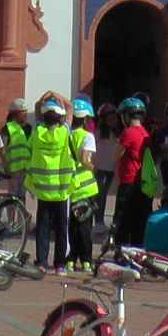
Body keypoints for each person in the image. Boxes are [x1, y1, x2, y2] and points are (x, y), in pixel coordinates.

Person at [25, 98, 82, 271]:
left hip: (42, 189)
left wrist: (45, 97)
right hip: (62, 189)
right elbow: (71, 107)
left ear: (44, 118)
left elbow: (36, 109)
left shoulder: (37, 132)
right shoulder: (65, 132)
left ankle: (41, 262)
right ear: (61, 119)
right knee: (61, 229)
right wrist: (56, 95)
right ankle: (60, 264)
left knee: (42, 227)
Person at [112, 97, 153, 247]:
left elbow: (116, 155)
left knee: (123, 220)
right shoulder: (145, 132)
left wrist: (115, 143)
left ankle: (122, 252)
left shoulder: (128, 133)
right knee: (139, 221)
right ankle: (137, 251)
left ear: (126, 116)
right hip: (141, 181)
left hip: (129, 181)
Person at [67, 98, 99, 267]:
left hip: (71, 187)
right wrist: (94, 168)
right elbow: (84, 159)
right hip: (86, 189)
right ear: (86, 119)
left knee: (72, 226)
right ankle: (86, 261)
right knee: (85, 227)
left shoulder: (67, 135)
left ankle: (71, 260)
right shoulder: (88, 137)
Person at [91, 103, 121, 227]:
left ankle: (99, 219)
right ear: (104, 121)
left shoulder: (117, 133)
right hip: (100, 168)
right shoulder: (99, 133)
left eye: (114, 118)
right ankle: (98, 221)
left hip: (111, 169)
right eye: (110, 119)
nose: (113, 121)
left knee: (104, 194)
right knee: (100, 195)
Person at [1, 97, 34, 200]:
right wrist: (6, 167)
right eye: (22, 112)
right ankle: (11, 216)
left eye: (26, 112)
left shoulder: (28, 128)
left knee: (22, 196)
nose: (25, 115)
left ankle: (21, 216)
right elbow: (2, 150)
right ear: (15, 114)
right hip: (13, 169)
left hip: (25, 168)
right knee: (12, 197)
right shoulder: (8, 128)